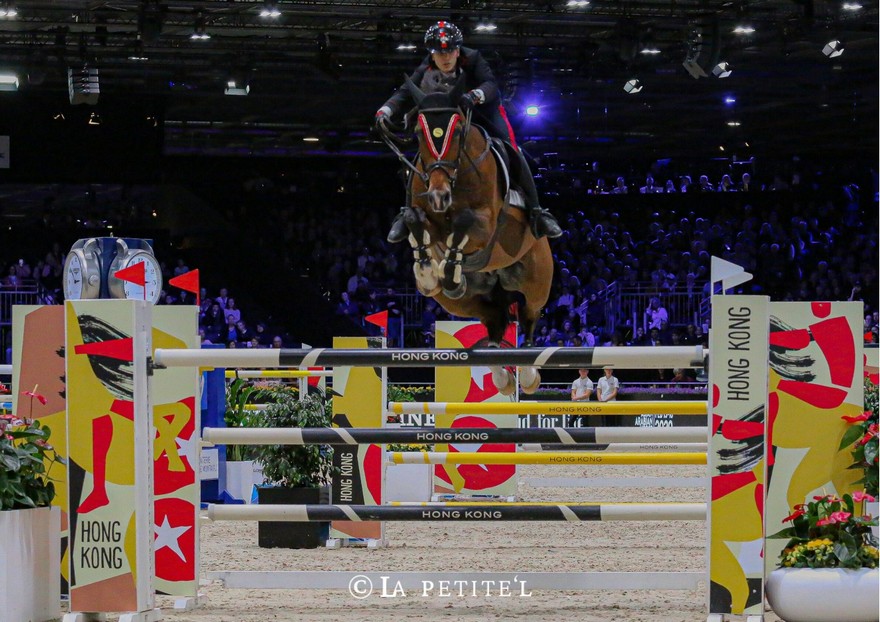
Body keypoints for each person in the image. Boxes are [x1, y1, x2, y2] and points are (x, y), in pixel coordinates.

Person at [375, 20, 562, 242]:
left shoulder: (474, 58)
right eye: (439, 53)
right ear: (432, 54)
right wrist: (385, 110)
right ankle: (405, 214)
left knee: (513, 150)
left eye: (450, 51)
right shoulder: (427, 66)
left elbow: (491, 85)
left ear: (458, 50)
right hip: (452, 118)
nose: (445, 58)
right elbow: (406, 91)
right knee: (423, 155)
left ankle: (537, 212)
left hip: (485, 114)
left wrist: (474, 95)